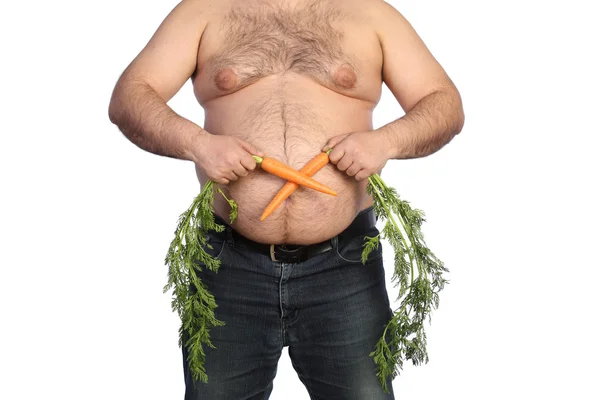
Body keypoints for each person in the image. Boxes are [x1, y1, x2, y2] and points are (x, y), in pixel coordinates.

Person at [108, 0, 464, 398]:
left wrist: (385, 142)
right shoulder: (203, 11)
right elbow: (130, 97)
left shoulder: (371, 13)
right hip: (228, 262)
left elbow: (443, 102)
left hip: (344, 265)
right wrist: (199, 145)